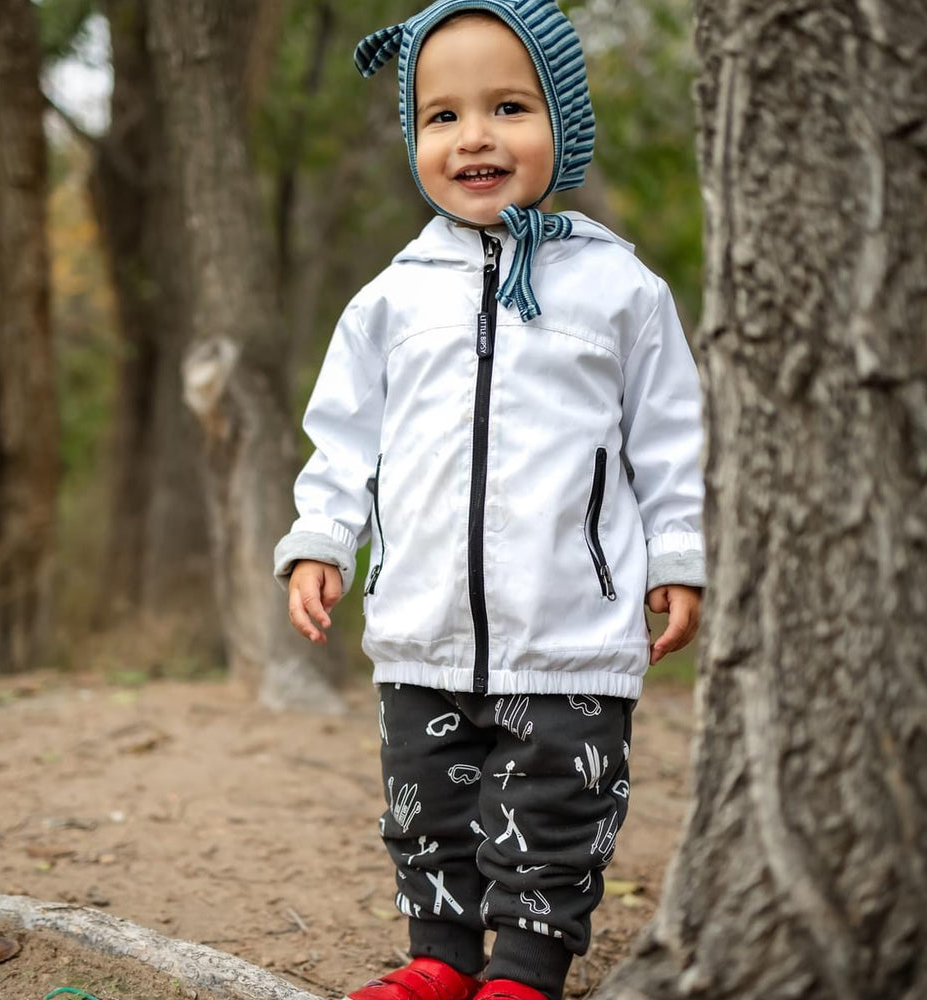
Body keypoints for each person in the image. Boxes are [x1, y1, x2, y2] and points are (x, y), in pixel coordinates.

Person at [273, 3, 705, 1000]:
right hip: (425, 619)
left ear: (565, 121)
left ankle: (523, 967)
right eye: (440, 115)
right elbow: (343, 439)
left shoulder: (618, 288)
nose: (473, 136)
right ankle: (439, 957)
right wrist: (321, 539)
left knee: (555, 800)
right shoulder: (391, 297)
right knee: (426, 804)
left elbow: (670, 438)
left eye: (507, 106)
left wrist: (677, 553)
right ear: (414, 137)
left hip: (569, 625)